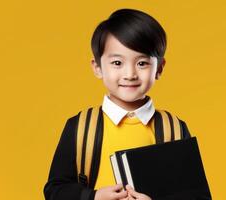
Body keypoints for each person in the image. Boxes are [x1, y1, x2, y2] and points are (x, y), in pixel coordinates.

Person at [44, 8, 212, 200]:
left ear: (159, 68)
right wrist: (93, 196)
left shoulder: (173, 128)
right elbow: (54, 190)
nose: (130, 74)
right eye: (117, 63)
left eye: (142, 63)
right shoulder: (80, 127)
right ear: (97, 67)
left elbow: (196, 196)